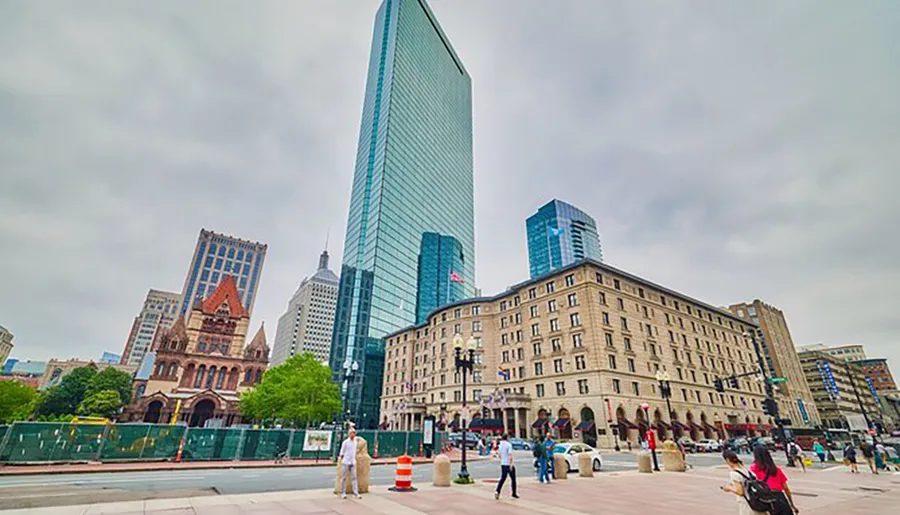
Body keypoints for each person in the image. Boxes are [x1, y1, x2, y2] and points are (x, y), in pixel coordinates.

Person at [749, 445, 799, 515]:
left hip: (766, 499)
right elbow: (786, 488)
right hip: (780, 497)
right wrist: (792, 504)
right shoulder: (776, 470)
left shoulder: (753, 469)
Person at [720, 450, 767, 515]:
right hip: (757, 502)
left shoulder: (734, 473)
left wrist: (729, 488)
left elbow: (740, 492)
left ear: (728, 460)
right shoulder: (747, 470)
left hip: (747, 504)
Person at [338, 428, 361, 499]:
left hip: (353, 461)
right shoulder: (345, 442)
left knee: (354, 477)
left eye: (354, 433)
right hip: (346, 461)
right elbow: (342, 452)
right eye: (351, 433)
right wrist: (341, 458)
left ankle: (356, 493)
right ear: (349, 434)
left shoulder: (355, 442)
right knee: (344, 477)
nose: (353, 435)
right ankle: (343, 492)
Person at [494, 434, 518, 500]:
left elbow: (499, 454)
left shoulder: (500, 445)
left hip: (503, 463)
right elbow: (510, 455)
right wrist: (511, 464)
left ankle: (497, 490)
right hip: (508, 463)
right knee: (513, 479)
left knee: (503, 478)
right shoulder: (508, 445)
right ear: (507, 438)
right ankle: (514, 493)